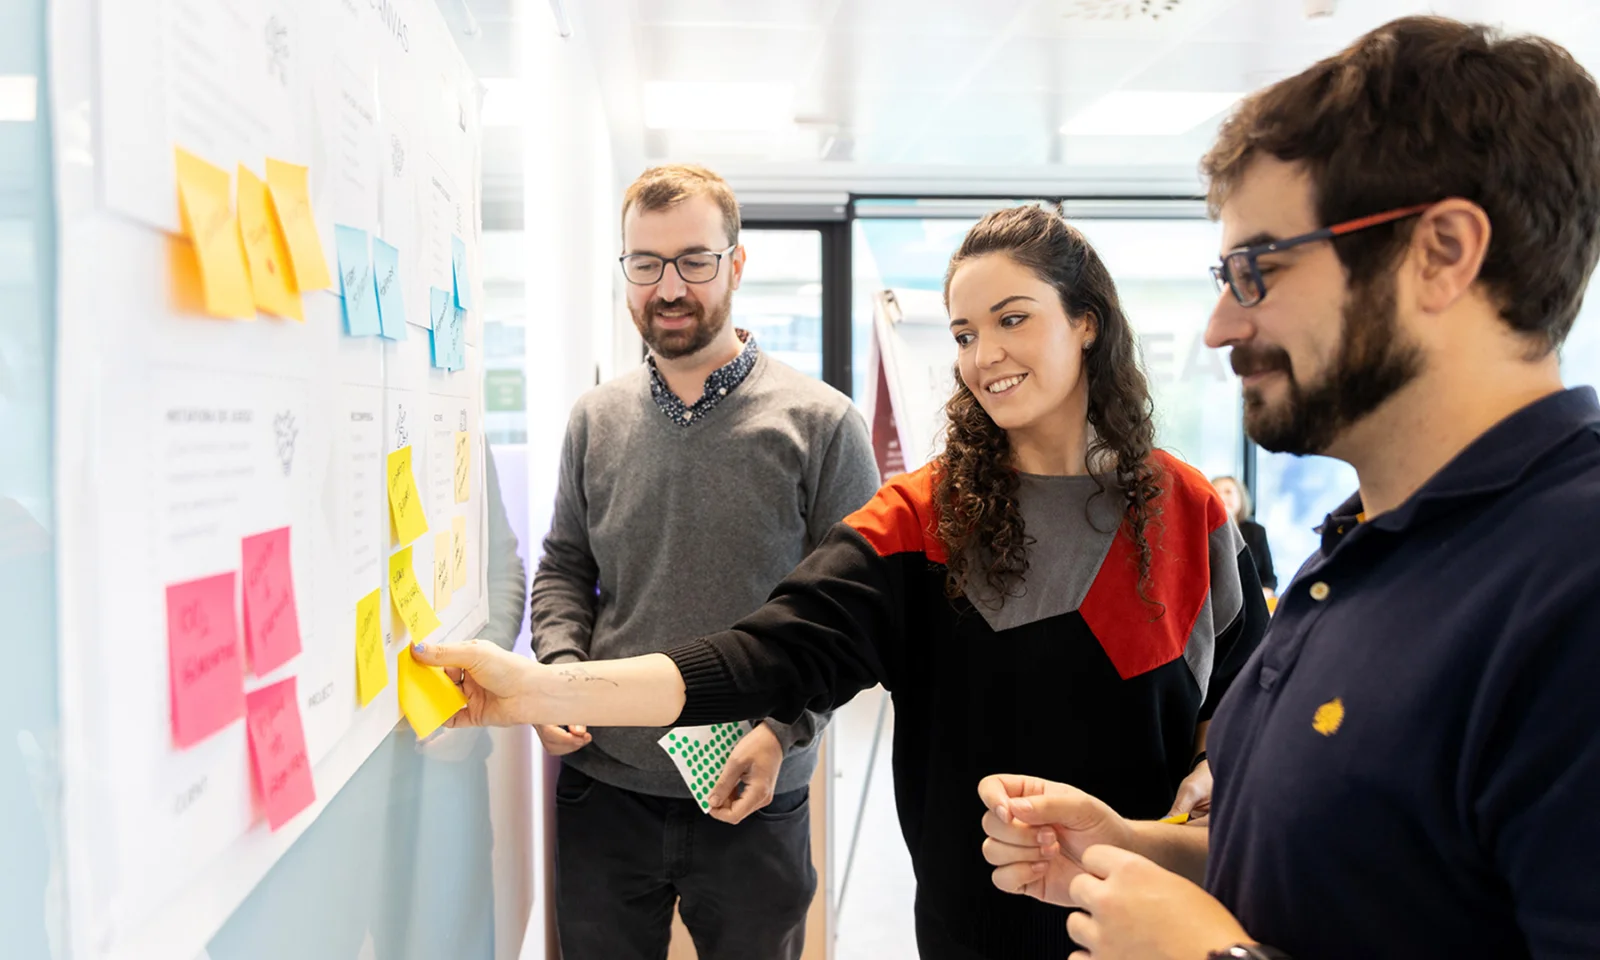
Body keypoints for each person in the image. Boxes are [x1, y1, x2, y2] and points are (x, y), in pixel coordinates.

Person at [416, 204, 1270, 959]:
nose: (985, 355)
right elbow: (762, 656)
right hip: (970, 927)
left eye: (1012, 319)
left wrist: (1213, 778)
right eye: (965, 332)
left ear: (1086, 322)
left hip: (1144, 924)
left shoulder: (1189, 510)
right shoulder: (921, 521)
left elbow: (1248, 702)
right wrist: (534, 687)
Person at [975, 16, 1600, 960]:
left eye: (1258, 269)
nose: (1223, 326)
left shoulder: (1573, 589)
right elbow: (1355, 874)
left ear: (1441, 253)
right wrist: (1139, 850)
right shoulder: (1366, 546)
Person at [524, 164, 880, 960]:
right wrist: (559, 672)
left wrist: (785, 729)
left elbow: (860, 616)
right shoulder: (595, 420)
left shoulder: (821, 424)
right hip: (605, 783)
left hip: (756, 789)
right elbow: (563, 567)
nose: (669, 287)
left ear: (736, 265)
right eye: (645, 264)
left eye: (694, 260)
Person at [1210, 475, 1276, 599]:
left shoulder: (1256, 531)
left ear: (1240, 497)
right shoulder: (1204, 532)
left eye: (1228, 492)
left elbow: (1269, 580)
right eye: (1217, 492)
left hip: (1252, 603)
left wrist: (1259, 598)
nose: (1222, 497)